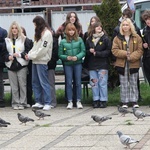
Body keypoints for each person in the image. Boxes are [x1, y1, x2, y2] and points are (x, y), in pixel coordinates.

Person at [112, 8, 143, 102]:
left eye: (127, 25)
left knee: (134, 82)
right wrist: (125, 54)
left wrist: (131, 56)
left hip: (134, 62)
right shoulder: (117, 37)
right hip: (122, 63)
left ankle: (134, 101)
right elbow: (114, 50)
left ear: (130, 26)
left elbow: (140, 49)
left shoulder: (136, 37)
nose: (125, 26)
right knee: (124, 83)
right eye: (124, 25)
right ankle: (124, 101)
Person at [55, 11, 83, 107]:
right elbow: (56, 36)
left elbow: (82, 48)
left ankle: (77, 100)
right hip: (67, 60)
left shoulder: (79, 27)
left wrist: (77, 57)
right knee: (68, 80)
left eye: (74, 17)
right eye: (71, 17)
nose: (72, 18)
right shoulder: (62, 27)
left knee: (77, 81)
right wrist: (66, 57)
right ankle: (69, 100)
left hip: (77, 60)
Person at [25, 16, 53, 111]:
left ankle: (47, 102)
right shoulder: (38, 34)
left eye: (35, 24)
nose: (34, 26)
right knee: (35, 82)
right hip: (35, 61)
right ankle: (39, 101)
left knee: (43, 82)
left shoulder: (47, 34)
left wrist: (31, 56)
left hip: (42, 61)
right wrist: (29, 54)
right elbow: (35, 47)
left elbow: (43, 49)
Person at [3, 21, 29, 110]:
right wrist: (8, 57)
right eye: (12, 28)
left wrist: (20, 55)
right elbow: (4, 53)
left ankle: (23, 103)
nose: (14, 30)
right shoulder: (6, 40)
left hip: (21, 64)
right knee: (14, 86)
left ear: (18, 29)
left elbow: (28, 51)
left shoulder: (24, 39)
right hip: (11, 65)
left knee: (22, 85)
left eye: (16, 28)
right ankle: (15, 102)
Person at [86, 22, 111, 108]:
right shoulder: (89, 39)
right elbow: (85, 51)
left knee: (102, 83)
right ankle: (96, 99)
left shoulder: (105, 39)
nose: (99, 28)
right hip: (92, 65)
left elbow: (108, 51)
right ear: (93, 28)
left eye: (100, 26)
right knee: (94, 83)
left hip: (102, 64)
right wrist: (89, 51)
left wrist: (98, 53)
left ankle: (103, 100)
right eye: (97, 27)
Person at [21, 27, 33, 107]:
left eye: (22, 32)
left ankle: (29, 99)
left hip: (28, 65)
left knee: (28, 83)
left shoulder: (28, 41)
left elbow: (29, 51)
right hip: (18, 66)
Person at [47, 29, 59, 108]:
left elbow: (55, 54)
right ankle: (45, 101)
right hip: (41, 64)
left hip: (50, 65)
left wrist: (50, 61)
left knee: (51, 84)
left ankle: (52, 102)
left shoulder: (54, 41)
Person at [141, 10, 150, 85]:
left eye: (149, 19)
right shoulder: (144, 30)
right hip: (147, 58)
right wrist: (144, 45)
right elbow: (143, 42)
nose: (148, 21)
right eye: (146, 19)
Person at [0, 27, 7, 108]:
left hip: (0, 61)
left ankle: (1, 99)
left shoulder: (3, 31)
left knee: (0, 81)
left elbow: (5, 45)